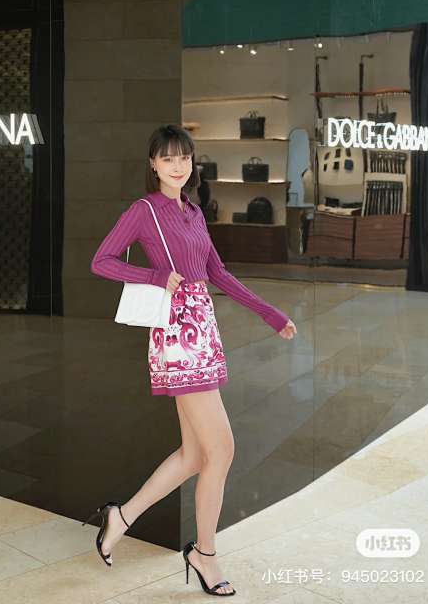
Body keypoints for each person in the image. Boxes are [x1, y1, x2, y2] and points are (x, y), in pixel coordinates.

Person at [85, 124, 297, 596]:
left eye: (184, 157)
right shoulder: (144, 210)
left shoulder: (195, 211)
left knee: (196, 454)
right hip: (177, 335)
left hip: (204, 329)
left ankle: (121, 516)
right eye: (168, 158)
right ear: (153, 164)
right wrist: (155, 275)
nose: (178, 166)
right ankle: (205, 554)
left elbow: (217, 272)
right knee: (222, 449)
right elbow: (102, 261)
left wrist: (269, 312)